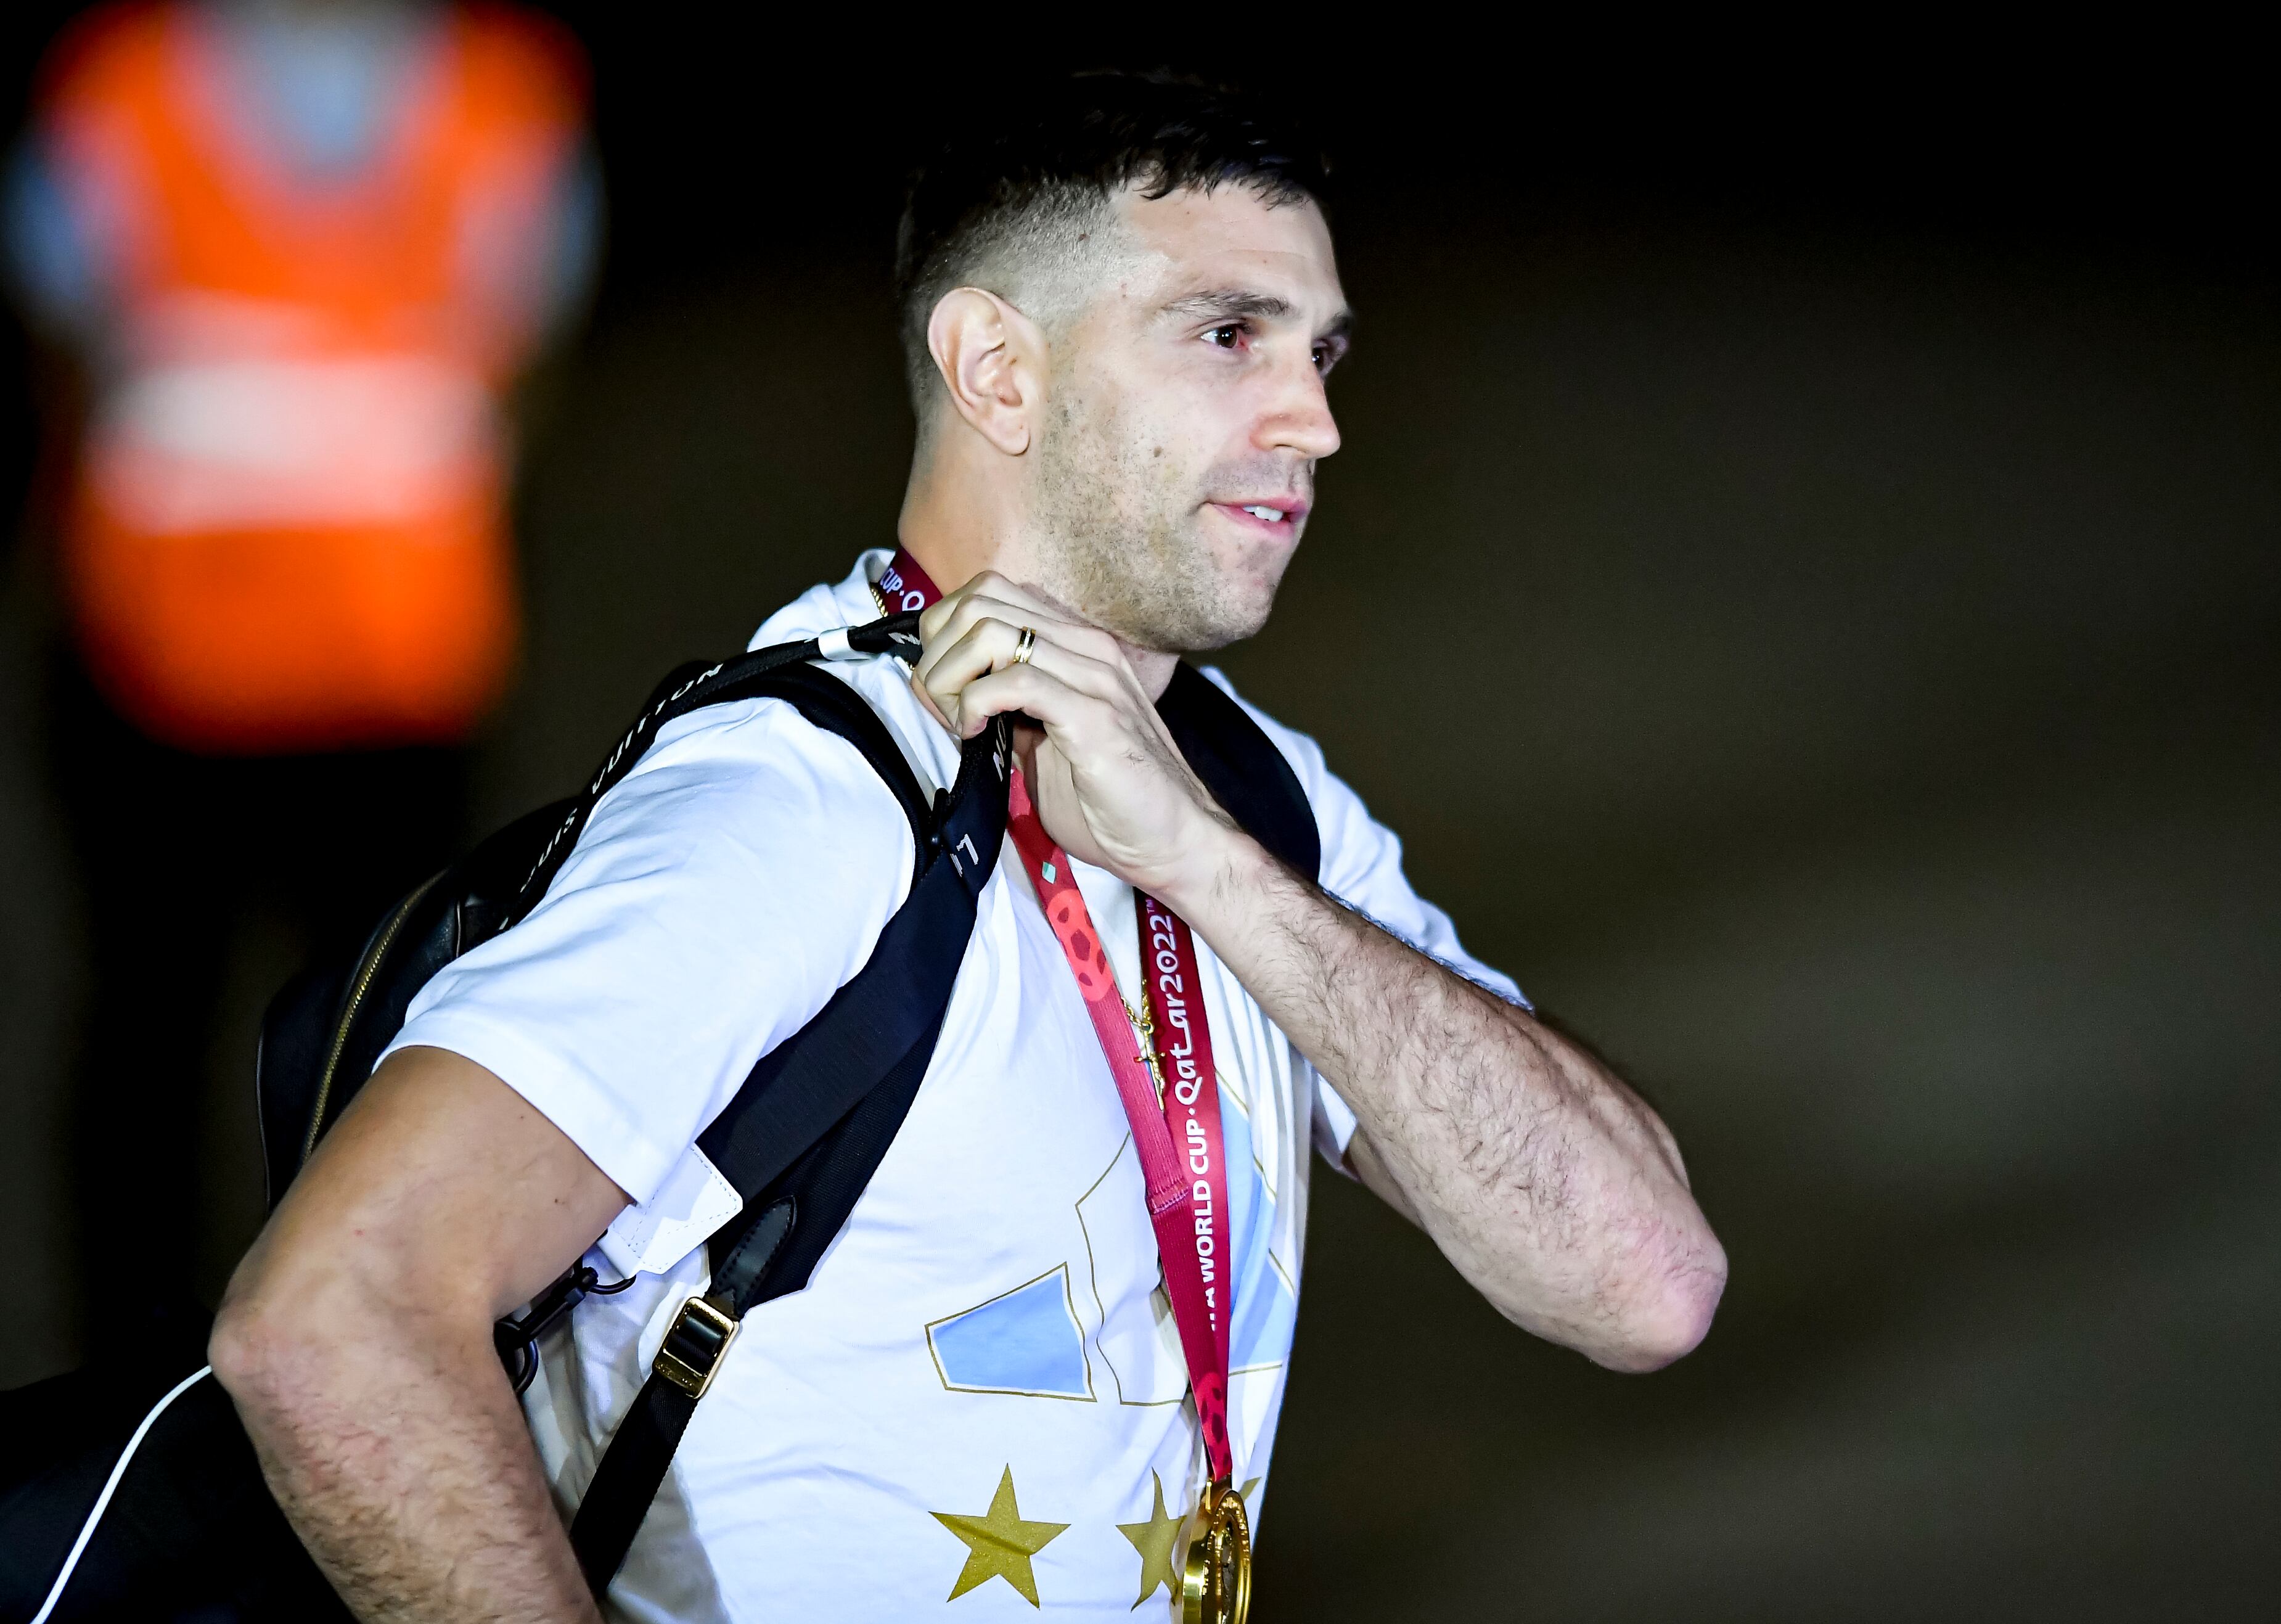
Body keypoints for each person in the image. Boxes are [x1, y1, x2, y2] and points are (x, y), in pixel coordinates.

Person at [210, 73, 1727, 1622]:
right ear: (998, 369)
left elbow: (1643, 1285)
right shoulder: (794, 805)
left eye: (1318, 351)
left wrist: (1205, 866)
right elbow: (334, 1317)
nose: (1317, 424)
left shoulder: (1240, 790)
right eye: (1227, 336)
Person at [6, 0, 595, 1316]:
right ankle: (142, 1373)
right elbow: (60, 345)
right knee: (151, 1033)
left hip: (399, 678)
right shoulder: (128, 85)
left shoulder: (504, 95)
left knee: (381, 1027)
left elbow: (524, 357)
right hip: (159, 670)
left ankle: (356, 1332)